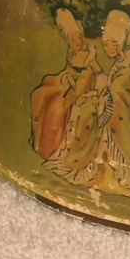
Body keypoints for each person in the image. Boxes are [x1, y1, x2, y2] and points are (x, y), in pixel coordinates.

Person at [44, 10, 130, 202]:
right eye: (107, 44)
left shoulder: (129, 67)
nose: (110, 48)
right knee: (86, 106)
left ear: (121, 44)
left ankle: (115, 171)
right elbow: (104, 85)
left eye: (114, 44)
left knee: (102, 112)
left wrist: (101, 95)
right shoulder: (113, 64)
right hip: (115, 109)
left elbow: (122, 93)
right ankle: (97, 166)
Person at [30, 9, 102, 160]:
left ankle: (54, 149)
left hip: (81, 93)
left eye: (78, 37)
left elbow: (99, 74)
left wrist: (97, 89)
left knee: (56, 110)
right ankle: (43, 144)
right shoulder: (72, 54)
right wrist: (64, 78)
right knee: (43, 96)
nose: (76, 41)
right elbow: (68, 72)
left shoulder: (88, 55)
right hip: (69, 89)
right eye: (71, 38)